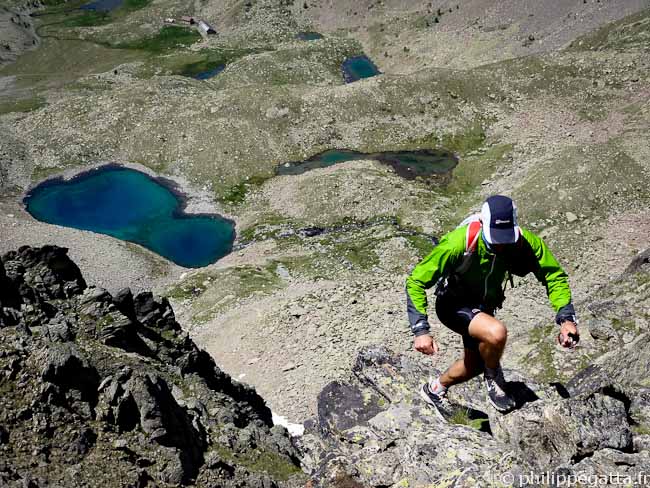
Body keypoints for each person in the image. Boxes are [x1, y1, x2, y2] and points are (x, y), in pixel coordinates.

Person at [405, 195, 578, 417]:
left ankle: (434, 389)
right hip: (453, 304)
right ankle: (494, 375)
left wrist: (566, 319)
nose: (501, 244)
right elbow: (416, 280)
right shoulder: (460, 241)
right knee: (496, 333)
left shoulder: (525, 243)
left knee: (475, 364)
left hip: (482, 308)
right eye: (496, 238)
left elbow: (553, 276)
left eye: (506, 238)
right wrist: (421, 330)